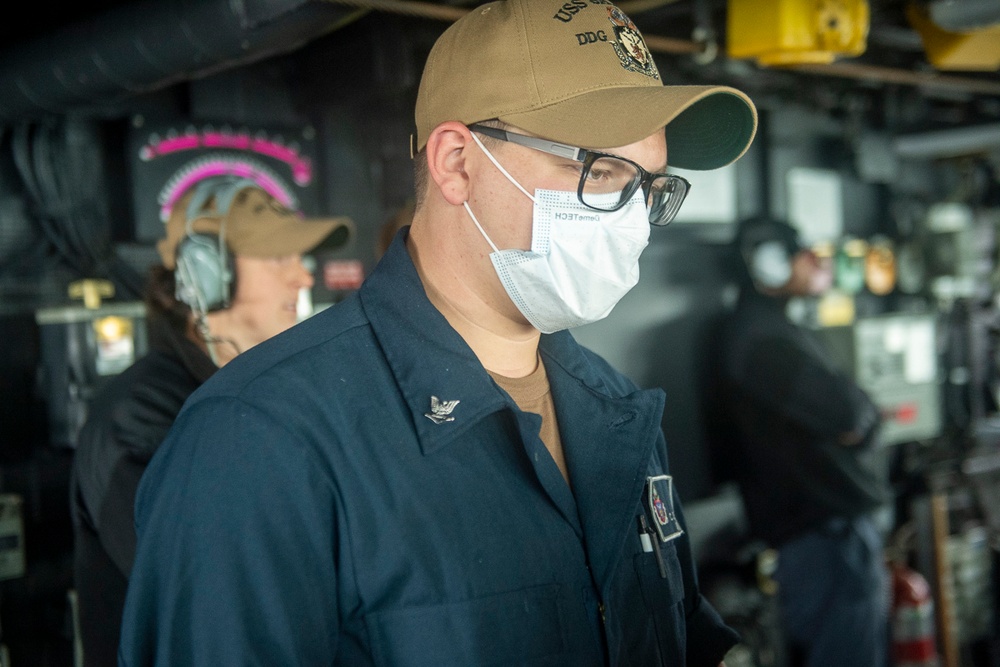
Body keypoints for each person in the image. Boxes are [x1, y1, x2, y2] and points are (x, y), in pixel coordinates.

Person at [119, 1, 758, 664]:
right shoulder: (261, 440)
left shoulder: (617, 410)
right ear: (456, 162)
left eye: (650, 187)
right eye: (599, 173)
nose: (635, 223)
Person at [69, 174, 352, 667]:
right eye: (279, 258)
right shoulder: (135, 417)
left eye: (301, 259)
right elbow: (209, 590)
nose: (304, 277)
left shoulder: (262, 395)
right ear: (206, 272)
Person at [713, 216, 893, 667]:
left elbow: (856, 413)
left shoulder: (774, 329)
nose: (818, 263)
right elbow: (851, 412)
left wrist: (860, 416)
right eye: (802, 254)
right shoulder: (760, 340)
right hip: (822, 537)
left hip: (829, 532)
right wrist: (860, 417)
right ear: (769, 265)